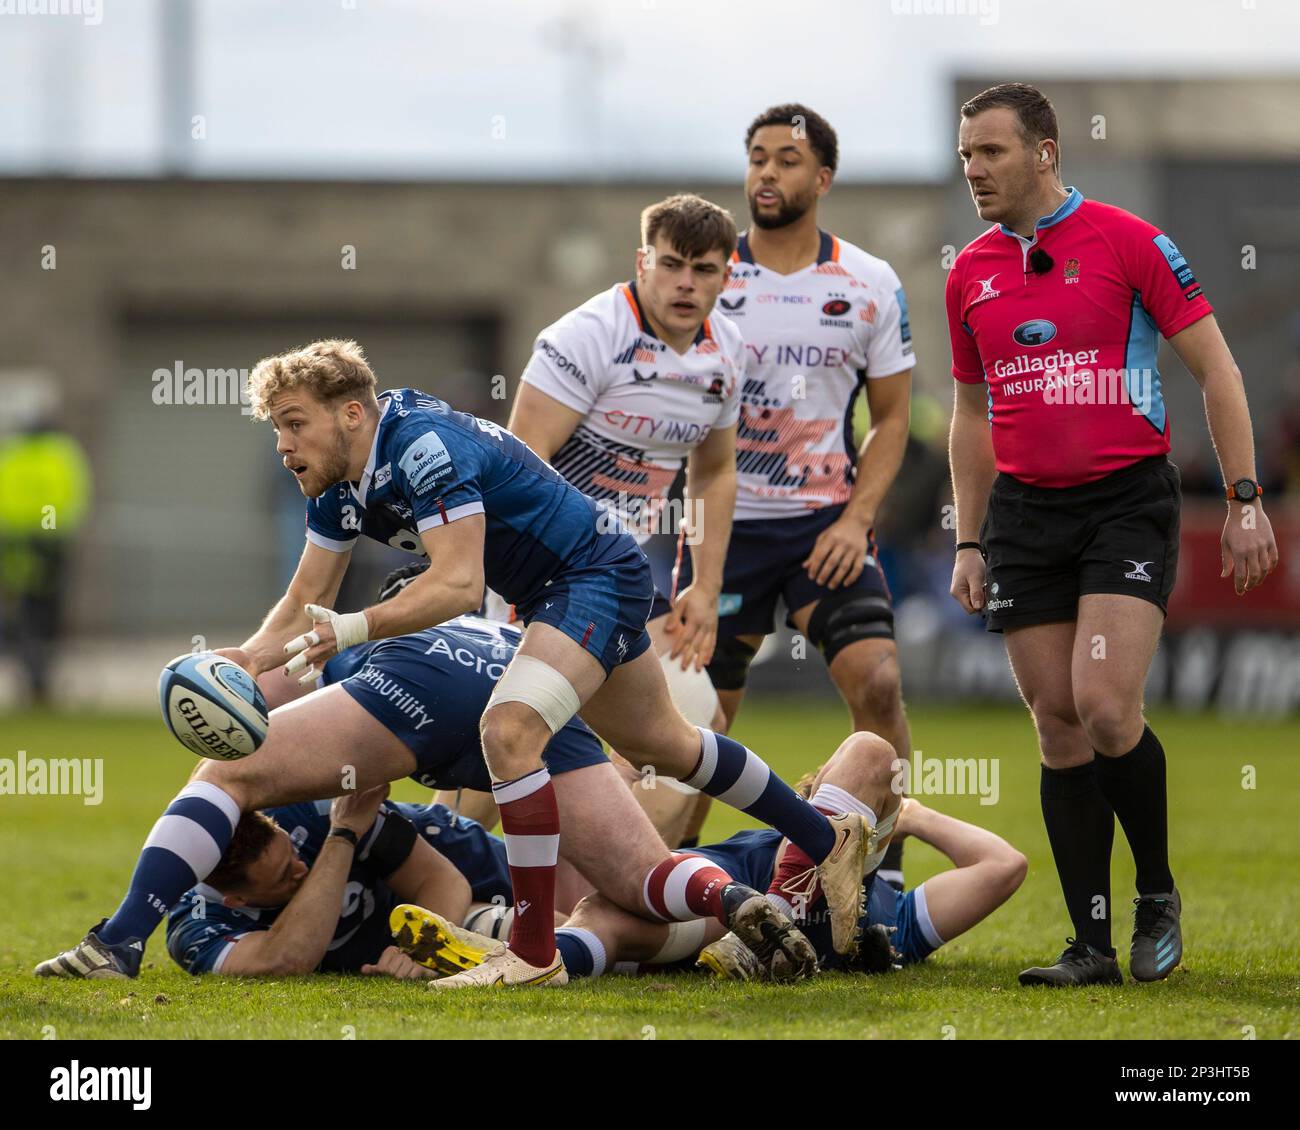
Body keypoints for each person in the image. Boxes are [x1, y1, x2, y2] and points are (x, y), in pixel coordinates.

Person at [945, 82, 1279, 986]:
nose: (973, 168)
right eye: (966, 152)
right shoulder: (968, 268)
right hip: (1022, 514)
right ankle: (1090, 944)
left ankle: (1157, 892)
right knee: (1057, 727)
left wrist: (1246, 498)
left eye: (991, 152)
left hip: (1124, 501)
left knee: (1102, 705)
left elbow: (1218, 369)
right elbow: (971, 416)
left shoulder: (1132, 242)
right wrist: (970, 541)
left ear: (1046, 151)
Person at [35, 604, 819, 984]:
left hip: (491, 822)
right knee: (637, 871)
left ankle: (765, 898)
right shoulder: (207, 920)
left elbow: (436, 878)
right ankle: (766, 889)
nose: (288, 863)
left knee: (616, 890)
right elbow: (287, 956)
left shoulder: (305, 806)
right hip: (540, 667)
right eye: (265, 875)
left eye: (291, 428)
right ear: (220, 888)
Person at [674, 104, 918, 885]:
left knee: (878, 682)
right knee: (696, 724)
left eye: (786, 159)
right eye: (756, 157)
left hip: (824, 528)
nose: (767, 174)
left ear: (823, 177)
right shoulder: (708, 273)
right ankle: (667, 883)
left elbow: (892, 419)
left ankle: (880, 871)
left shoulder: (870, 282)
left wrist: (857, 520)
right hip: (725, 532)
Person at [398, 733, 1027, 982]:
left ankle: (514, 942)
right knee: (604, 916)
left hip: (718, 911)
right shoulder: (890, 919)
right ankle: (526, 959)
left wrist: (912, 816)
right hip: (712, 910)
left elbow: (1006, 866)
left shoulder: (890, 914)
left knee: (871, 747)